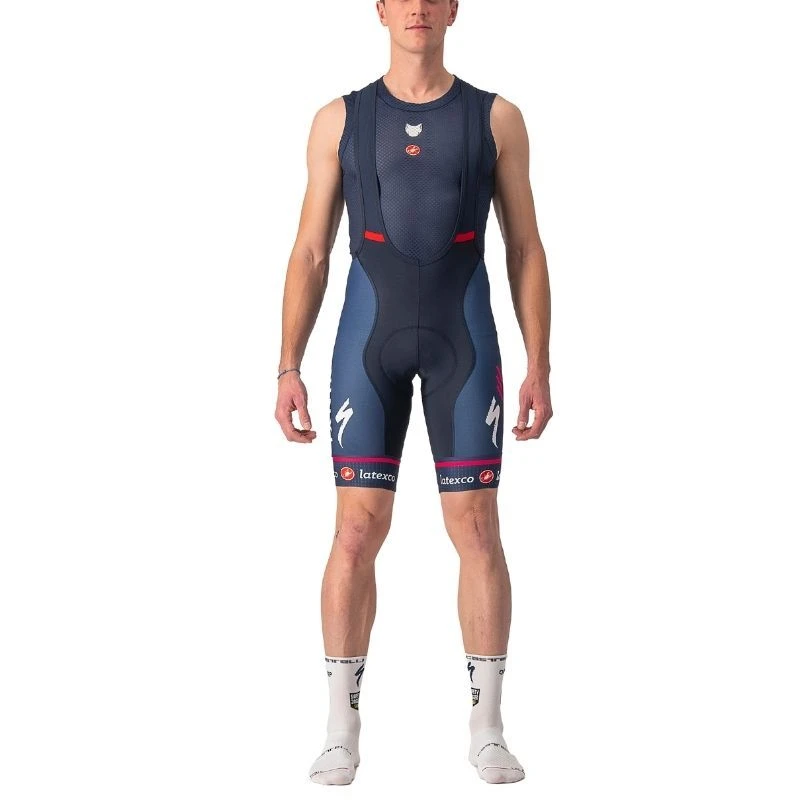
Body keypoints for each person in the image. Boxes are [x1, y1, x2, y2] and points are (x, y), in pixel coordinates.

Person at [275, 0, 552, 785]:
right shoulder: (340, 120)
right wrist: (287, 365)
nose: (419, 8)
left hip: (465, 340)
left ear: (454, 8)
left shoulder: (496, 118)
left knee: (478, 529)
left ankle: (488, 728)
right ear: (381, 9)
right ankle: (340, 729)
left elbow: (526, 247)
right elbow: (310, 251)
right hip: (371, 344)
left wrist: (539, 363)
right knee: (355, 532)